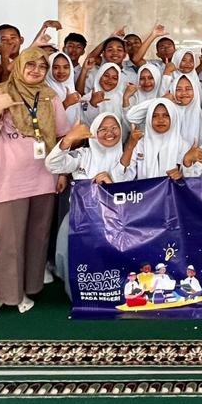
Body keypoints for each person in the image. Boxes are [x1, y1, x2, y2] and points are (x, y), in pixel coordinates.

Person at [0, 49, 71, 321]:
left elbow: (62, 136)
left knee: (37, 239)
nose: (36, 70)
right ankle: (1, 295)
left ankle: (26, 290)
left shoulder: (50, 97)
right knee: (8, 241)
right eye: (31, 64)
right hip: (7, 181)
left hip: (43, 178)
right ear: (18, 66)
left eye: (42, 66)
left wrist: (62, 173)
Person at [45, 114, 139, 289]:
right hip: (82, 218)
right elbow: (53, 165)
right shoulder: (83, 155)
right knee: (66, 245)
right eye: (103, 129)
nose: (109, 133)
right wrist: (68, 139)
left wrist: (110, 181)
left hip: (117, 220)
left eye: (114, 128)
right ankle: (76, 290)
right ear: (94, 132)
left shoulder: (128, 155)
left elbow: (126, 179)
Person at [131, 99, 197, 180]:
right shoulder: (139, 144)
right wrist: (129, 147)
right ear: (149, 119)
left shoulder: (183, 146)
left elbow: (193, 181)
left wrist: (181, 175)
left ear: (173, 117)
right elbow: (125, 178)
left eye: (166, 115)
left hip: (173, 189)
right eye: (155, 116)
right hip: (147, 188)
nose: (160, 120)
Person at [45, 52, 83, 125]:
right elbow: (45, 119)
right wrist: (66, 103)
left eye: (66, 67)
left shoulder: (71, 89)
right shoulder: (44, 90)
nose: (61, 71)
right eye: (56, 67)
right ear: (49, 69)